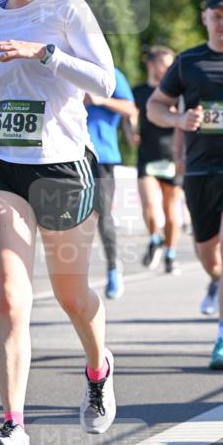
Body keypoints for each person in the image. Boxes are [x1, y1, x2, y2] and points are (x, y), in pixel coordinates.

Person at [0, 0, 122, 445]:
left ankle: (99, 366)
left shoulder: (67, 9)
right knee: (8, 296)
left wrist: (43, 53)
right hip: (6, 168)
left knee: (72, 296)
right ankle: (13, 425)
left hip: (61, 168)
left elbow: (103, 80)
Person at [147, 0, 223, 369]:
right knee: (208, 254)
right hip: (200, 170)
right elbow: (154, 107)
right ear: (206, 18)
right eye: (217, 15)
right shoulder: (189, 61)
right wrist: (179, 120)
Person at [129, 45, 183, 274]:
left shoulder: (177, 93)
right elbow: (130, 113)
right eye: (166, 64)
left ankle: (170, 253)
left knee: (171, 210)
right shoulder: (139, 91)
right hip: (147, 157)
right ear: (152, 65)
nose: (170, 69)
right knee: (149, 205)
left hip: (172, 155)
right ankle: (154, 239)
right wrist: (131, 130)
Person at [85, 68, 137, 298]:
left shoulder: (111, 72)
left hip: (101, 155)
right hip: (64, 153)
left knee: (102, 215)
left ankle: (113, 267)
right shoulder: (59, 65)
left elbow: (130, 109)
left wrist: (99, 99)